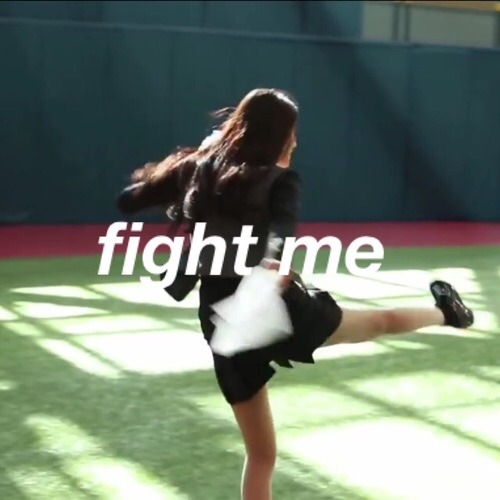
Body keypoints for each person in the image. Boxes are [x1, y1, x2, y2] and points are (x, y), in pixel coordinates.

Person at [116, 88, 474, 500]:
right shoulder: (277, 180)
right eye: (292, 132)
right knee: (379, 322)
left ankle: (447, 312)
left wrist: (194, 162)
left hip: (223, 325)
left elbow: (127, 202)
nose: (296, 141)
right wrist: (271, 263)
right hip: (274, 312)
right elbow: (280, 232)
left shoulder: (202, 169)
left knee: (261, 456)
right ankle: (447, 312)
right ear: (278, 136)